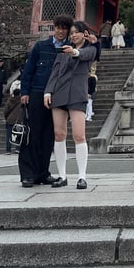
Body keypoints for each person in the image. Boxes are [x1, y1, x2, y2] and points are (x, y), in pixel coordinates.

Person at [19, 14, 73, 188]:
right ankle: (28, 174)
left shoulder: (70, 49)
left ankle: (43, 172)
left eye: (64, 28)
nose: (60, 31)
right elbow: (28, 70)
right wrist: (24, 92)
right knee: (33, 134)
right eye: (58, 27)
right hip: (37, 92)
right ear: (54, 28)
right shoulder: (41, 47)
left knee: (50, 135)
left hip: (59, 96)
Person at [44, 20, 98, 190]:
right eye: (72, 32)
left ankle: (82, 176)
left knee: (79, 135)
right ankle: (62, 175)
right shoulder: (62, 51)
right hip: (59, 92)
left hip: (77, 93)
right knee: (59, 134)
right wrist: (48, 91)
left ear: (84, 33)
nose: (73, 34)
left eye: (77, 32)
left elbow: (84, 55)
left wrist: (74, 51)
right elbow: (55, 72)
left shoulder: (90, 49)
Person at [3, 88, 22, 154]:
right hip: (18, 120)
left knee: (9, 135)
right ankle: (17, 149)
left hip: (10, 120)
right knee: (18, 135)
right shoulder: (21, 101)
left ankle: (8, 150)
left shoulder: (9, 101)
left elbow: (5, 111)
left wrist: (6, 117)